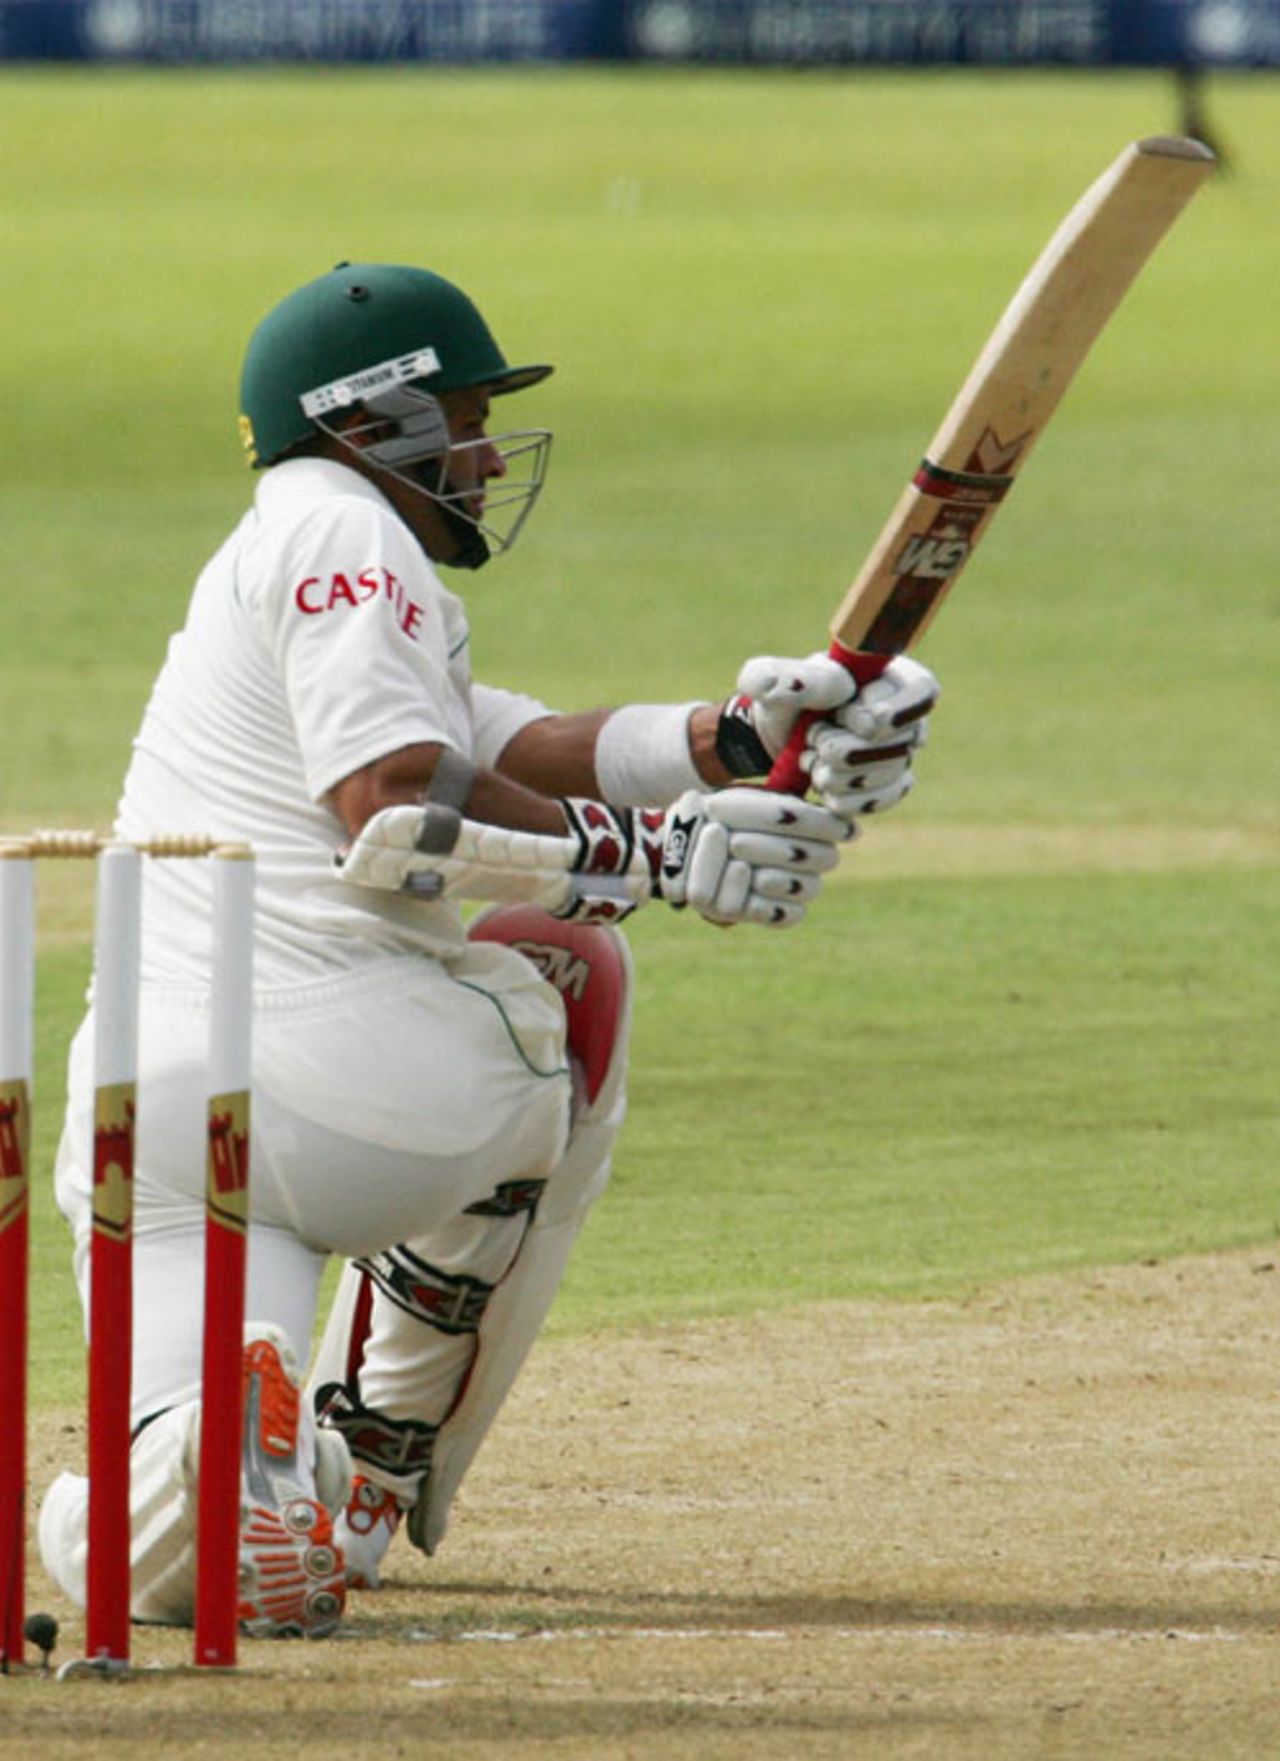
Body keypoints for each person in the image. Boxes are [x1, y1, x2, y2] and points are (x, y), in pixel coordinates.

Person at [38, 262, 939, 1637]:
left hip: (139, 1115)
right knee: (564, 971)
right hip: (338, 1083)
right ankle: (374, 1468)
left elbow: (499, 739)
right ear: (373, 420)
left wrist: (727, 744)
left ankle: (213, 1475)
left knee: (190, 1526)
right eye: (463, 414)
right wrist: (656, 856)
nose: (489, 448)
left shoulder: (277, 545)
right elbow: (399, 801)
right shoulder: (351, 536)